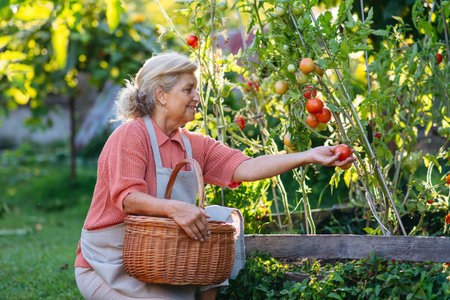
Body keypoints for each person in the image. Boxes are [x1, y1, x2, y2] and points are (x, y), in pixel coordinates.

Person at [74, 52, 355, 300]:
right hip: (108, 266)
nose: (197, 98)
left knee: (218, 217)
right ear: (161, 95)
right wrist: (176, 209)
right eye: (189, 90)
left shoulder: (191, 143)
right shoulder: (130, 136)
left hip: (161, 262)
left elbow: (247, 167)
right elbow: (129, 199)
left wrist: (307, 155)